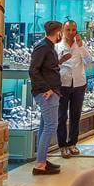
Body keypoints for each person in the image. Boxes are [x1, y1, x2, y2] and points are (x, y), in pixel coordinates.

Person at [30, 20, 64, 176]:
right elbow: (33, 70)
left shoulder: (48, 47)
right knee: (50, 126)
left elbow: (46, 68)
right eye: (61, 32)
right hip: (46, 94)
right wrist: (47, 89)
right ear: (58, 32)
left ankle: (42, 159)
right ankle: (40, 164)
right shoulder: (43, 47)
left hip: (52, 92)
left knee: (45, 126)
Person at [56, 20, 92, 158]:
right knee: (61, 116)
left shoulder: (81, 46)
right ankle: (62, 145)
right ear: (63, 31)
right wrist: (61, 61)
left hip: (78, 84)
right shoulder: (57, 46)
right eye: (68, 30)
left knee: (75, 115)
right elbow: (53, 65)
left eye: (73, 30)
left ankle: (72, 143)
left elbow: (88, 61)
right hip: (63, 84)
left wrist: (82, 46)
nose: (71, 33)